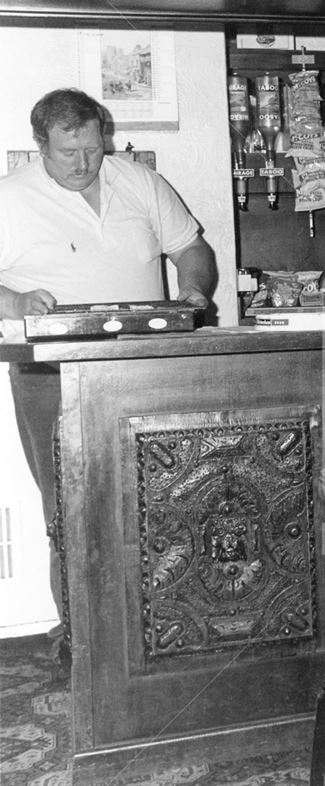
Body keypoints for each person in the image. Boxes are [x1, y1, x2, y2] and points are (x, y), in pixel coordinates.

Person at [0, 88, 216, 673]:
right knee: (72, 512)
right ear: (39, 145)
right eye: (68, 152)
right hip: (53, 376)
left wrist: (195, 291)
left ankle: (164, 634)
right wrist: (15, 297)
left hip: (147, 367)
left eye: (94, 149)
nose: (83, 164)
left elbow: (192, 248)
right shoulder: (9, 197)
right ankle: (82, 644)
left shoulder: (139, 180)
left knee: (165, 503)